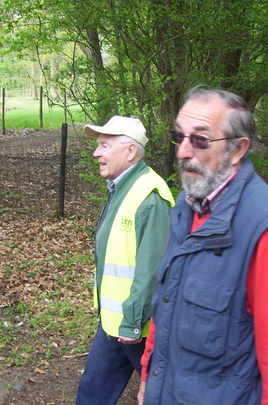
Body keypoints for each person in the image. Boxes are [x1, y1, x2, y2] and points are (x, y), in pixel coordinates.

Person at [138, 88, 268, 405]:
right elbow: (166, 304)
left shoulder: (267, 231)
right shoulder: (187, 207)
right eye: (179, 136)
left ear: (238, 148)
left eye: (200, 140)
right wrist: (148, 378)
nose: (183, 151)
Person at [76, 116, 175, 405]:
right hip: (115, 324)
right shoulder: (122, 188)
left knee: (162, 395)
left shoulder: (150, 196)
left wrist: (132, 324)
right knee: (92, 391)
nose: (96, 153)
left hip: (137, 328)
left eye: (104, 146)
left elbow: (152, 270)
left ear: (130, 151)